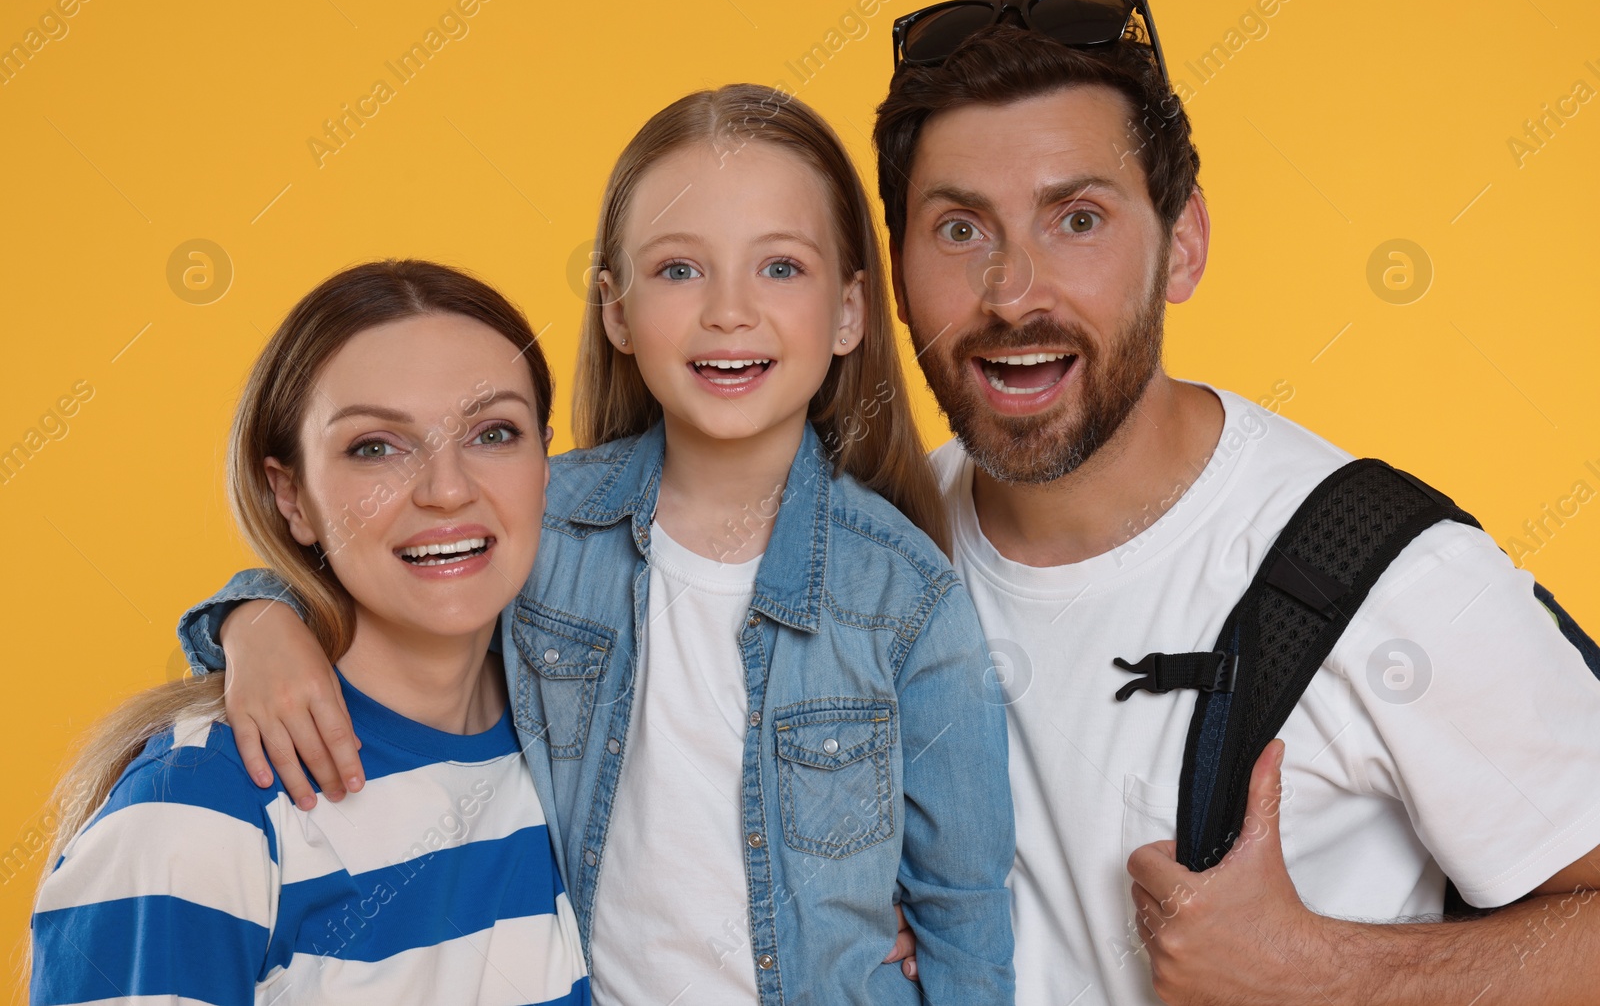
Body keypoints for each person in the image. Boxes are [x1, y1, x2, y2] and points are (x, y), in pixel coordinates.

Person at [169, 86, 1016, 1004]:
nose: (729, 312)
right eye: (679, 271)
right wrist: (256, 616)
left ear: (850, 312)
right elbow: (395, 566)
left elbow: (963, 911)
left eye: (780, 268)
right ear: (615, 308)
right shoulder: (541, 522)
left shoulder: (907, 595)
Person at [872, 0, 1600, 1006]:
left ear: (1181, 243)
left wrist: (1325, 972)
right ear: (895, 273)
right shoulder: (875, 544)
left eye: (1077, 217)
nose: (1011, 291)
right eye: (957, 228)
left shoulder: (1383, 577)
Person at [30, 261, 589, 1004]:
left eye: (494, 432)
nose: (448, 488)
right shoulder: (200, 808)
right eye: (374, 446)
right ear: (290, 496)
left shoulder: (579, 738)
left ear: (546, 463)